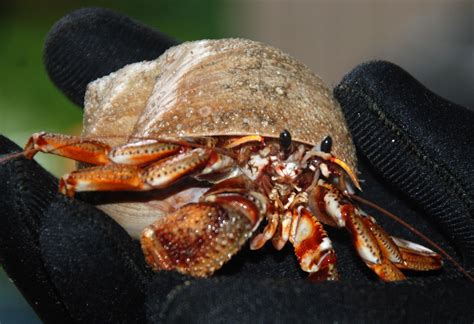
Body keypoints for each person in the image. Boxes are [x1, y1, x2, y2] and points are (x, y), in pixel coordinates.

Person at [1, 7, 473, 323]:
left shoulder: (302, 178)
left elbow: (333, 208)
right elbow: (145, 173)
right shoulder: (216, 156)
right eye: (284, 147)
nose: (296, 170)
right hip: (188, 157)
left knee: (337, 219)